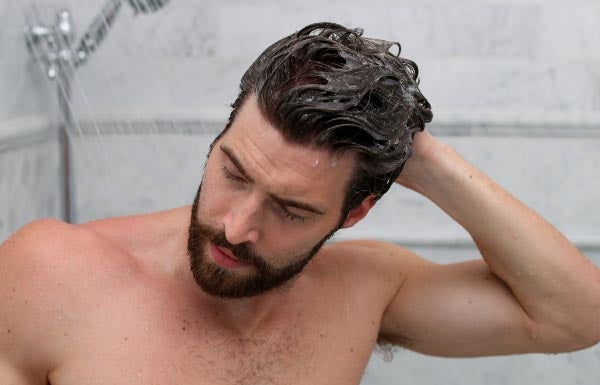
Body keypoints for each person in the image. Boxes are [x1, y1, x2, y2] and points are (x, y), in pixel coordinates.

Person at [1, 22, 599, 385]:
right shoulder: (52, 273)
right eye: (233, 171)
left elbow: (573, 317)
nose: (236, 228)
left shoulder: (365, 289)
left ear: (355, 211)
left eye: (291, 210)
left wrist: (426, 162)